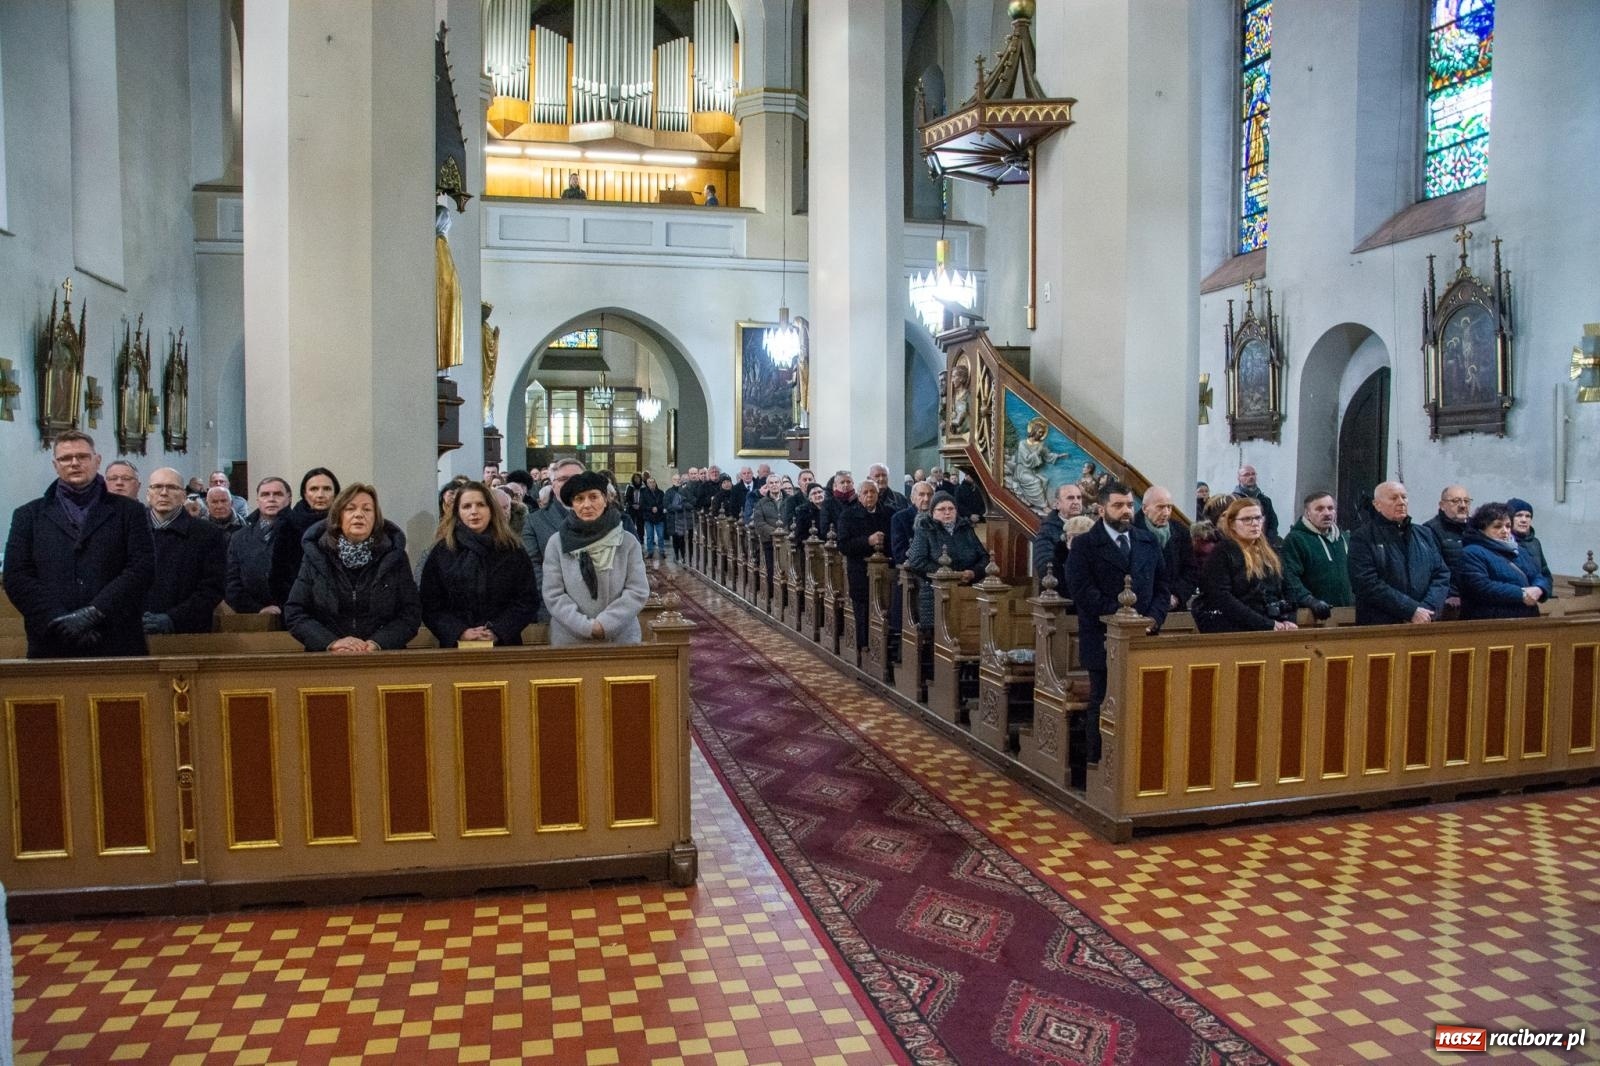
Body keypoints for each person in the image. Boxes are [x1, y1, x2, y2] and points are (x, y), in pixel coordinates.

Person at [4, 431, 155, 658]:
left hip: (115, 636)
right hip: (52, 639)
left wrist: (95, 613)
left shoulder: (129, 512)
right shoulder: (29, 515)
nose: (74, 463)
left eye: (82, 456)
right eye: (65, 458)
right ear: (55, 465)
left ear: (97, 461)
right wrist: (58, 620)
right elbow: (17, 576)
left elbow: (141, 568)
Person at [1063, 481, 1169, 776]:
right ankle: (1098, 768)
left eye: (1130, 505)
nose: (1126, 511)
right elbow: (1082, 591)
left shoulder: (1147, 541)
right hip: (1103, 638)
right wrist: (1122, 619)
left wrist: (1152, 620)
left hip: (1144, 637)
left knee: (1143, 703)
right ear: (1101, 509)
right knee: (1103, 700)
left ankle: (1139, 767)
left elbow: (1162, 586)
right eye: (1118, 505)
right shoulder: (1085, 545)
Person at [284, 483, 419, 652]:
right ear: (338, 517)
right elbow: (295, 612)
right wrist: (332, 642)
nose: (359, 515)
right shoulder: (316, 555)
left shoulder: (395, 556)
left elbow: (410, 613)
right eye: (350, 509)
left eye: (367, 509)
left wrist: (377, 643)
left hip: (383, 657)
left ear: (376, 519)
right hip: (328, 660)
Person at [419, 481, 538, 647]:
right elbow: (431, 605)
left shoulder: (513, 550)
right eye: (466, 506)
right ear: (457, 512)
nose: (474, 511)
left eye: (480, 505)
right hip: (456, 647)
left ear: (491, 509)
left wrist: (497, 631)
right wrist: (460, 631)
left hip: (505, 645)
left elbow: (527, 601)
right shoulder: (442, 552)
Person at [542, 471, 650, 646]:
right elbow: (553, 594)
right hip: (570, 639)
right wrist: (586, 627)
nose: (587, 505)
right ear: (572, 504)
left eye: (593, 497)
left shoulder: (627, 541)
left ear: (605, 499)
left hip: (620, 638)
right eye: (579, 499)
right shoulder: (557, 543)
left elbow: (637, 590)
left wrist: (605, 624)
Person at [1347, 481, 1451, 626]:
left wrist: (1427, 610)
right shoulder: (1363, 537)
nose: (1401, 502)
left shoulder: (1424, 534)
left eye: (1404, 497)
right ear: (1377, 505)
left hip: (1425, 622)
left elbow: (1441, 574)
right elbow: (1366, 583)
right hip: (1381, 625)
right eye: (1394, 498)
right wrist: (1410, 610)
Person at [142, 467, 226, 635]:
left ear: (183, 495)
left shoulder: (208, 534)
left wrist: (173, 618)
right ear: (148, 494)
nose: (163, 493)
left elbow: (213, 588)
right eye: (157, 487)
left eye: (172, 487)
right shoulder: (130, 529)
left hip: (187, 631)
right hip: (134, 630)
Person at [1195, 497, 1297, 633]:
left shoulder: (1271, 550)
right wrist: (1265, 624)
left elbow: (1289, 587)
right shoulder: (1222, 552)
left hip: (1271, 624)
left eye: (1258, 518)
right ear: (1231, 524)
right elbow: (1221, 597)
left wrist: (1289, 619)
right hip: (1234, 628)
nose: (1254, 523)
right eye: (1246, 519)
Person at [904, 491, 990, 628]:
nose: (947, 512)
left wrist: (974, 572)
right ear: (932, 512)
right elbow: (917, 561)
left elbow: (984, 557)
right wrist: (949, 576)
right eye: (941, 509)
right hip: (934, 593)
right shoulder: (925, 530)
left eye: (951, 509)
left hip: (967, 590)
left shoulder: (965, 529)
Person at [1457, 503, 1551, 620]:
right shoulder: (1471, 552)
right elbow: (1481, 586)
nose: (1505, 531)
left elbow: (1538, 574)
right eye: (1497, 526)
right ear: (1482, 529)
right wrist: (1521, 594)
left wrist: (1539, 588)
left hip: (1526, 618)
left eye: (1508, 526)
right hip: (1490, 622)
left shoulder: (1519, 550)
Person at [837, 479, 895, 649]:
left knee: (884, 607)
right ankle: (864, 646)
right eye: (866, 492)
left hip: (884, 570)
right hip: (859, 570)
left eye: (873, 492)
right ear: (859, 496)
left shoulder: (888, 513)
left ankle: (883, 646)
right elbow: (843, 545)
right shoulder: (848, 515)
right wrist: (867, 541)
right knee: (862, 608)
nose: (870, 495)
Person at [270, 467, 340, 605]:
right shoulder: (289, 523)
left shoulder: (345, 522)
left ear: (336, 493)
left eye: (327, 489)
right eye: (313, 489)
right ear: (304, 493)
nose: (320, 495)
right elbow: (278, 574)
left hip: (340, 604)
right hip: (299, 602)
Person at [226, 476, 292, 615]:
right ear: (258, 500)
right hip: (252, 617)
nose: (271, 499)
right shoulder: (239, 537)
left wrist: (286, 608)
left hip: (295, 615)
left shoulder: (301, 532)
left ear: (289, 498)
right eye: (265, 494)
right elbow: (232, 584)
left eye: (278, 494)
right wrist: (257, 609)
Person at [1280, 491, 1351, 616]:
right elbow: (1289, 577)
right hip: (1311, 615)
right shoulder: (1295, 540)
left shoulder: (1344, 538)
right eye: (1319, 509)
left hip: (1348, 613)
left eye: (1330, 508)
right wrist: (1309, 600)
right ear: (1307, 513)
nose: (1327, 513)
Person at [1135, 485, 1197, 611]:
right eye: (1160, 507)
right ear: (1145, 508)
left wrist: (1176, 596)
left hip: (1174, 606)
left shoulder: (1180, 531)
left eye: (1169, 507)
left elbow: (1191, 571)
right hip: (1141, 608)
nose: (1166, 512)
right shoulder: (1131, 531)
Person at [1032, 482, 1086, 592]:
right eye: (1070, 498)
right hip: (1060, 596)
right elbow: (1045, 568)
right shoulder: (1047, 531)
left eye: (1079, 498)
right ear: (1057, 504)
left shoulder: (1090, 526)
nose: (1076, 502)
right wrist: (1066, 549)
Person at [1425, 484, 1473, 609]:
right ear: (1442, 505)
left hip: (1476, 597)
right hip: (1449, 602)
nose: (1463, 505)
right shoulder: (1430, 530)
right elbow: (1435, 570)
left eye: (1466, 501)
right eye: (1455, 501)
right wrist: (1449, 595)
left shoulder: (1478, 527)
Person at [1506, 497, 1555, 597]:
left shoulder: (1535, 543)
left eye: (1528, 516)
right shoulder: (1503, 542)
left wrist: (1541, 590)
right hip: (1515, 596)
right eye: (1519, 515)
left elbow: (1545, 573)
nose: (1524, 520)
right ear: (1509, 518)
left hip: (1538, 597)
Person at [1233, 464, 1280, 544]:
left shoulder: (1265, 500)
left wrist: (1268, 541)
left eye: (1253, 474)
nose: (1251, 477)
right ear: (1239, 478)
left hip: (1264, 544)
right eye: (1246, 475)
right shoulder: (1234, 500)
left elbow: (1273, 523)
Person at [891, 480, 934, 565]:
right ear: (912, 498)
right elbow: (900, 554)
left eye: (929, 495)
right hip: (911, 569)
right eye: (921, 495)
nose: (926, 499)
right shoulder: (900, 518)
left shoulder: (939, 517)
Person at [819, 470, 856, 541]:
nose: (846, 485)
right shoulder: (828, 504)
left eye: (848, 482)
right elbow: (825, 528)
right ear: (835, 485)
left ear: (853, 483)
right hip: (835, 542)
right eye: (842, 482)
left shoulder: (858, 501)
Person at [638, 473, 667, 560]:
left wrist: (657, 508)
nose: (651, 484)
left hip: (659, 517)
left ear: (655, 483)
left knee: (661, 535)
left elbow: (664, 503)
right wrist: (651, 508)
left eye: (653, 482)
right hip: (648, 517)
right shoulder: (643, 493)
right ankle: (650, 552)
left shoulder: (661, 493)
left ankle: (662, 551)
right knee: (650, 536)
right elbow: (642, 505)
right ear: (647, 484)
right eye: (649, 482)